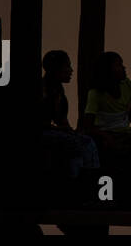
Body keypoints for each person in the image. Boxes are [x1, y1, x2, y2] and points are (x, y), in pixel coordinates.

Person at [82, 51, 131, 156]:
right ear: (107, 71)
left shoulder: (126, 84)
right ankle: (127, 151)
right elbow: (88, 126)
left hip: (125, 136)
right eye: (118, 65)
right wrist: (107, 137)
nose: (123, 68)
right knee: (102, 144)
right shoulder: (96, 93)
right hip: (106, 136)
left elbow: (130, 112)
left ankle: (129, 149)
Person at [39, 50, 100, 178]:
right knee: (79, 144)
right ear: (56, 69)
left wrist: (70, 130)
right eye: (67, 66)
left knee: (84, 143)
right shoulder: (43, 90)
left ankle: (86, 177)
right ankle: (83, 179)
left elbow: (61, 119)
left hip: (51, 132)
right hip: (42, 133)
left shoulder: (58, 90)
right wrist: (62, 130)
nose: (71, 70)